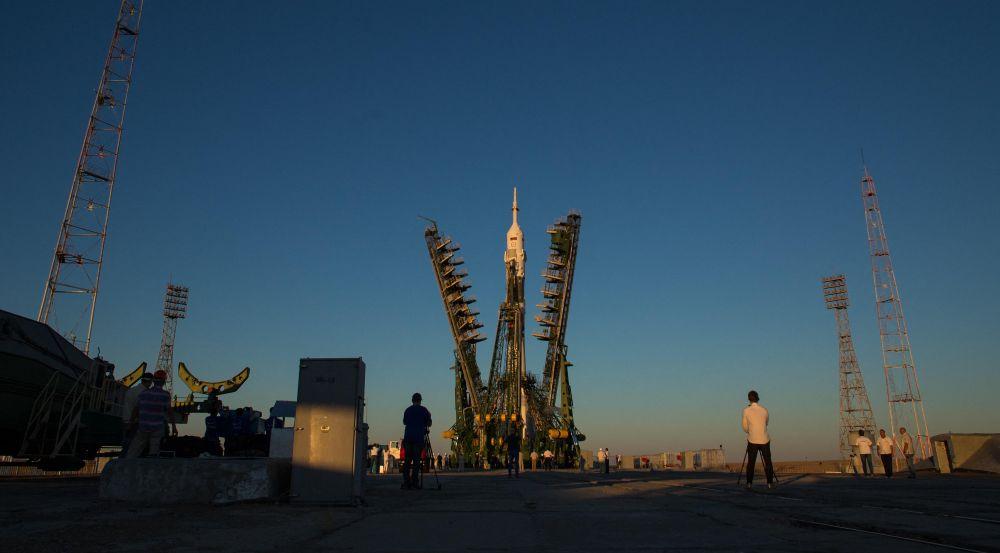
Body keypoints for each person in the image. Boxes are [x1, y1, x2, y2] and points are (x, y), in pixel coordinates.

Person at [126, 370, 176, 458]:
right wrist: (174, 427)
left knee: (133, 451)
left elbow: (136, 409)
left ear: (153, 381)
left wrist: (130, 424)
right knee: (153, 452)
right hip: (157, 428)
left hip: (143, 427)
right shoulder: (165, 395)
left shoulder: (144, 393)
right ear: (164, 381)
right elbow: (170, 412)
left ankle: (125, 467)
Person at [741, 390, 775, 489]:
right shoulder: (764, 410)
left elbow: (744, 427)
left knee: (751, 462)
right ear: (757, 398)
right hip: (764, 439)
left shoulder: (746, 411)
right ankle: (769, 483)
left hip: (752, 439)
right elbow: (766, 423)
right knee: (768, 461)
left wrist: (750, 431)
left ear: (749, 399)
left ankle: (749, 483)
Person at [402, 392, 432, 489]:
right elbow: (429, 423)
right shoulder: (424, 410)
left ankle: (406, 482)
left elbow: (404, 422)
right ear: (420, 401)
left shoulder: (407, 410)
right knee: (416, 462)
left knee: (407, 461)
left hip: (408, 438)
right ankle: (415, 482)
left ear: (412, 400)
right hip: (418, 438)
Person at [120, 372, 152, 456]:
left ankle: (122, 464)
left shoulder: (131, 390)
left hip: (125, 421)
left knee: (126, 446)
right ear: (150, 381)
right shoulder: (144, 393)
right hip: (136, 423)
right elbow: (138, 409)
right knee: (135, 449)